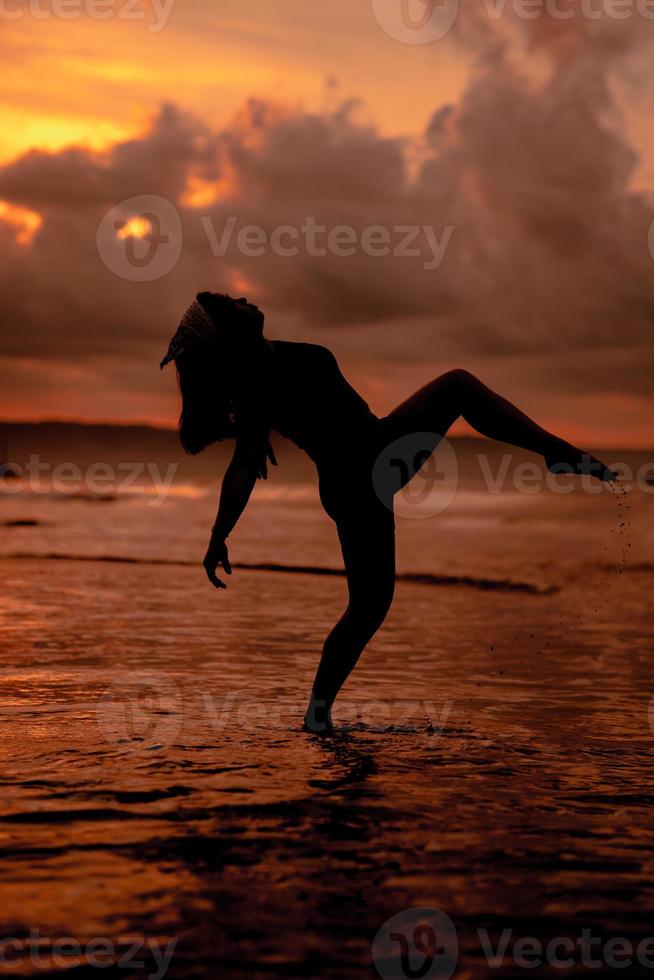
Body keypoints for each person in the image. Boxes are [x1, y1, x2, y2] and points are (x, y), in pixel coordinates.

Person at [160, 292, 616, 734]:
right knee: (368, 608)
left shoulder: (281, 355)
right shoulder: (261, 380)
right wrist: (219, 534)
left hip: (379, 447)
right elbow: (242, 468)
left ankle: (554, 451)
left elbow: (251, 458)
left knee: (458, 386)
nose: (245, 302)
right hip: (356, 479)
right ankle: (316, 716)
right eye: (233, 306)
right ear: (227, 331)